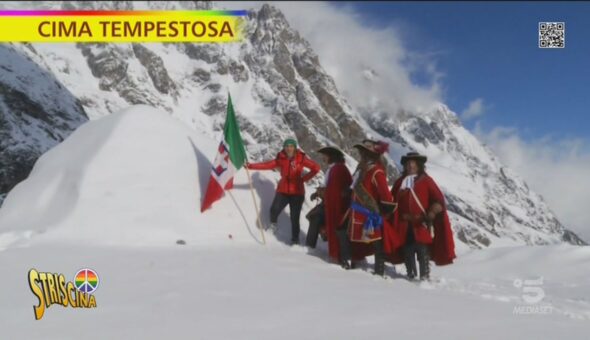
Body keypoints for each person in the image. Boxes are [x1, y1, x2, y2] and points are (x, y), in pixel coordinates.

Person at [390, 152, 456, 281]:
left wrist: (432, 212)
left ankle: (424, 277)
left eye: (413, 163)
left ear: (419, 165)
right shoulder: (399, 182)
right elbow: (392, 200)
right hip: (404, 223)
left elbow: (438, 200)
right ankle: (410, 275)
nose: (410, 165)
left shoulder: (426, 181)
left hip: (421, 223)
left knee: (422, 250)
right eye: (408, 163)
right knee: (407, 249)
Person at [338, 140, 398, 276]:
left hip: (368, 213)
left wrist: (383, 209)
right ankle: (348, 261)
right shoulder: (360, 169)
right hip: (355, 210)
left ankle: (379, 270)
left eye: (366, 153)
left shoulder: (377, 172)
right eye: (363, 152)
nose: (363, 155)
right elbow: (354, 186)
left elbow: (385, 195)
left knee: (377, 242)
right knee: (344, 233)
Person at [246, 138, 320, 245]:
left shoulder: (301, 158)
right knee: (274, 209)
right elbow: (267, 165)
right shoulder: (281, 158)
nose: (289, 148)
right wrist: (250, 166)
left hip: (297, 193)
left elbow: (316, 168)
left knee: (295, 217)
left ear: (294, 147)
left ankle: (295, 239)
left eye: (291, 146)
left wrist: (304, 179)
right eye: (287, 146)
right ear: (284, 148)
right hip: (283, 190)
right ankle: (273, 226)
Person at [308, 146, 352, 262]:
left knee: (319, 219)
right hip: (331, 203)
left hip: (337, 206)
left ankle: (314, 248)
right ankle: (310, 246)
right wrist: (318, 193)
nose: (324, 158)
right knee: (315, 217)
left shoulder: (338, 169)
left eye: (326, 156)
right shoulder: (334, 169)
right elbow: (328, 187)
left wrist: (322, 192)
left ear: (331, 157)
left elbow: (335, 189)